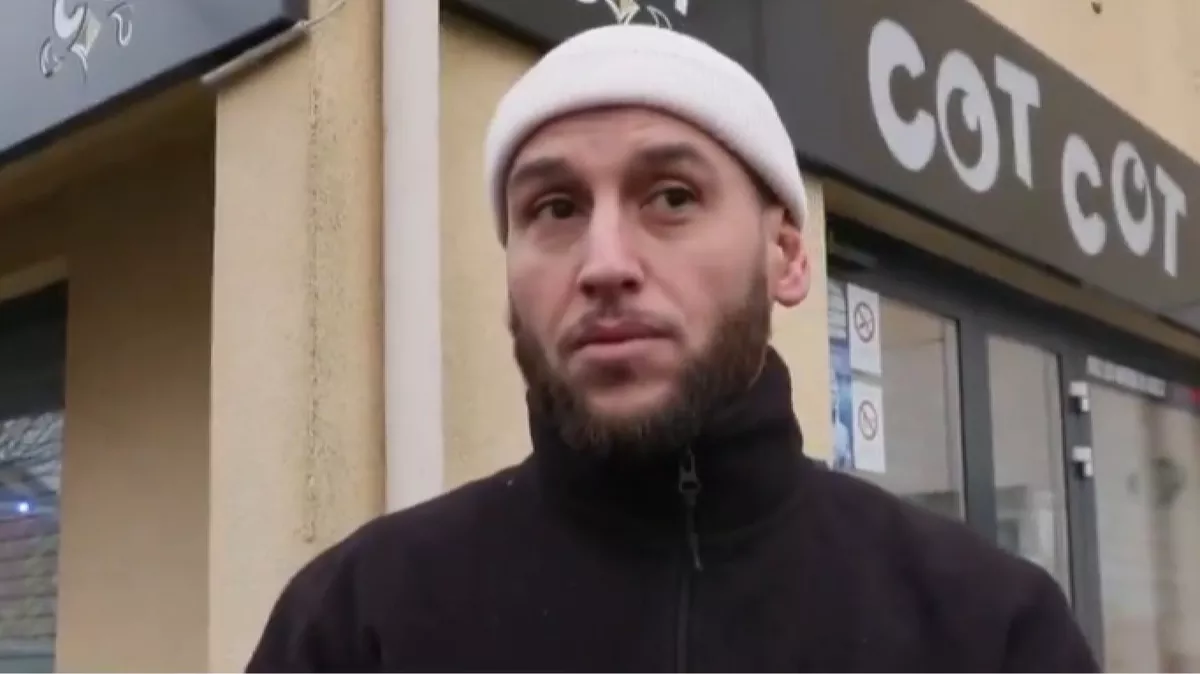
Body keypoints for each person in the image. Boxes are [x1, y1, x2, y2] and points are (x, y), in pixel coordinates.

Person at [246, 24, 1099, 673]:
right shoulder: (356, 624)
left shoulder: (988, 630)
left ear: (788, 256)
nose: (605, 264)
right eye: (554, 209)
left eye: (673, 196)